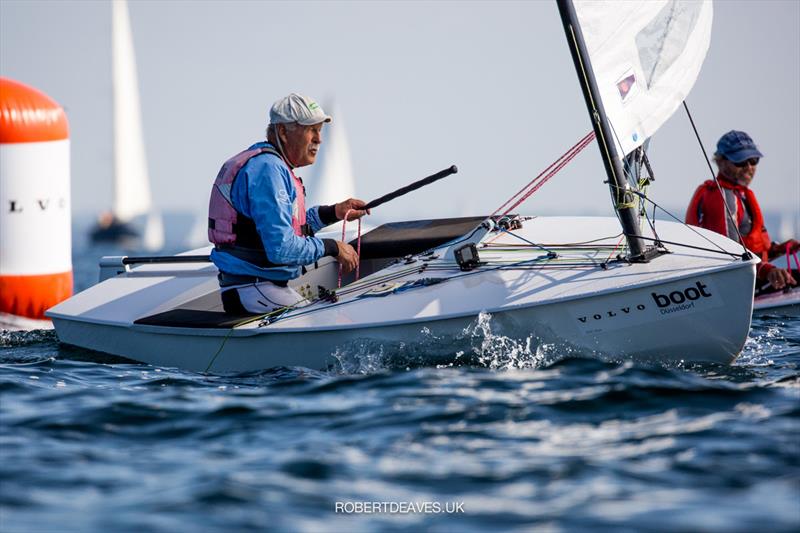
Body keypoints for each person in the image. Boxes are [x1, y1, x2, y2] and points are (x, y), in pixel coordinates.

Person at [208, 93, 369, 314]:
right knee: (327, 318)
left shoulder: (269, 164)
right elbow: (281, 249)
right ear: (283, 132)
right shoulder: (268, 169)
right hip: (254, 289)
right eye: (311, 130)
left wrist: (335, 212)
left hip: (259, 288)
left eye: (320, 131)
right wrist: (333, 247)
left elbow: (293, 227)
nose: (318, 139)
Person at [685, 130, 798, 294]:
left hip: (746, 280)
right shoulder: (722, 197)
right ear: (721, 162)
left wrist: (779, 249)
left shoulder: (739, 194)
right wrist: (767, 271)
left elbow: (751, 249)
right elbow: (729, 256)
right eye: (740, 162)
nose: (749, 167)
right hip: (729, 288)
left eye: (753, 160)